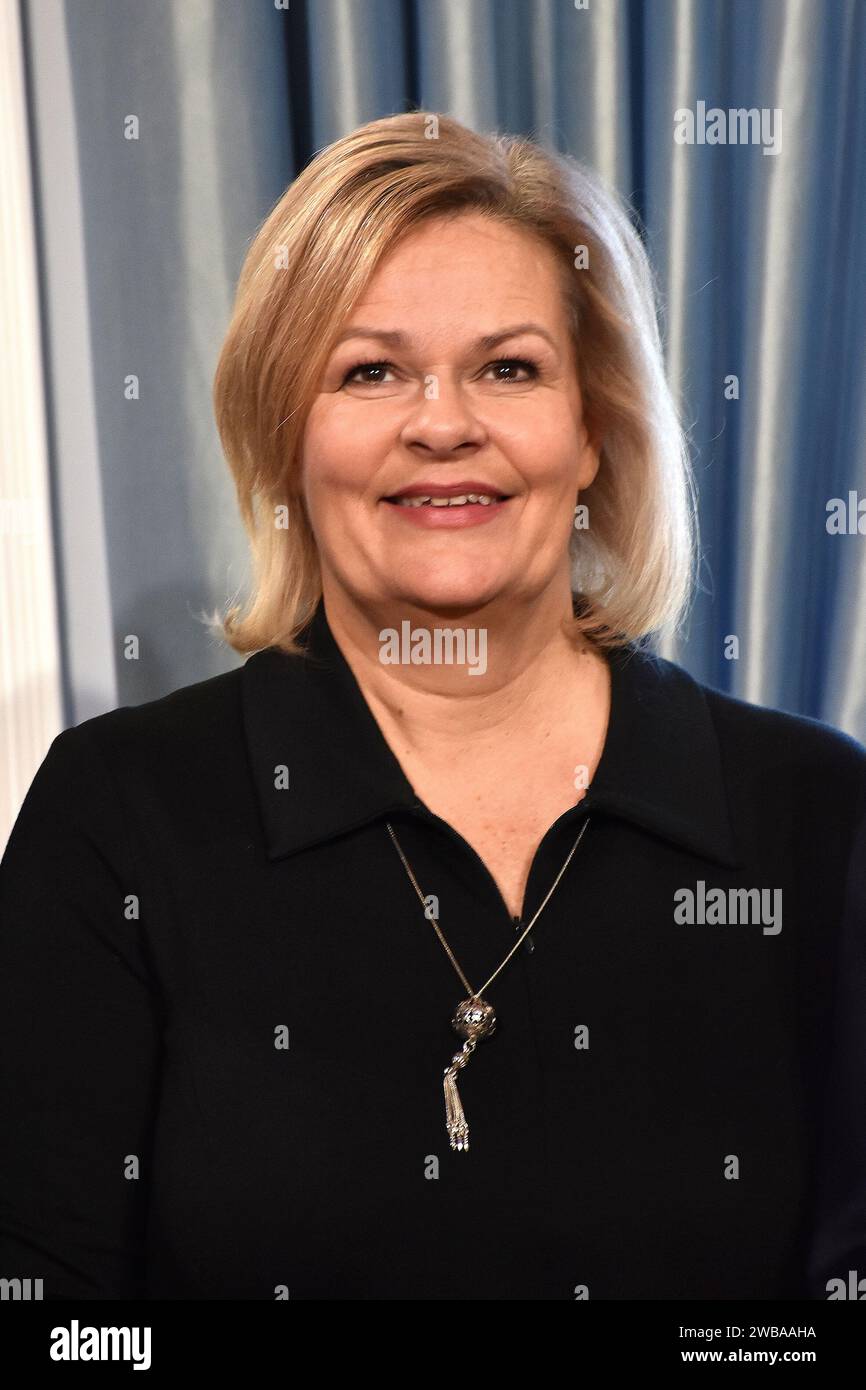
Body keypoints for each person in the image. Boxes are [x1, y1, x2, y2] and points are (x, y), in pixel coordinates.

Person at [0, 112, 863, 1301]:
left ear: (594, 431)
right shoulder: (118, 813)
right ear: (284, 437)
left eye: (508, 367)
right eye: (367, 371)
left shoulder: (818, 814)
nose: (442, 422)